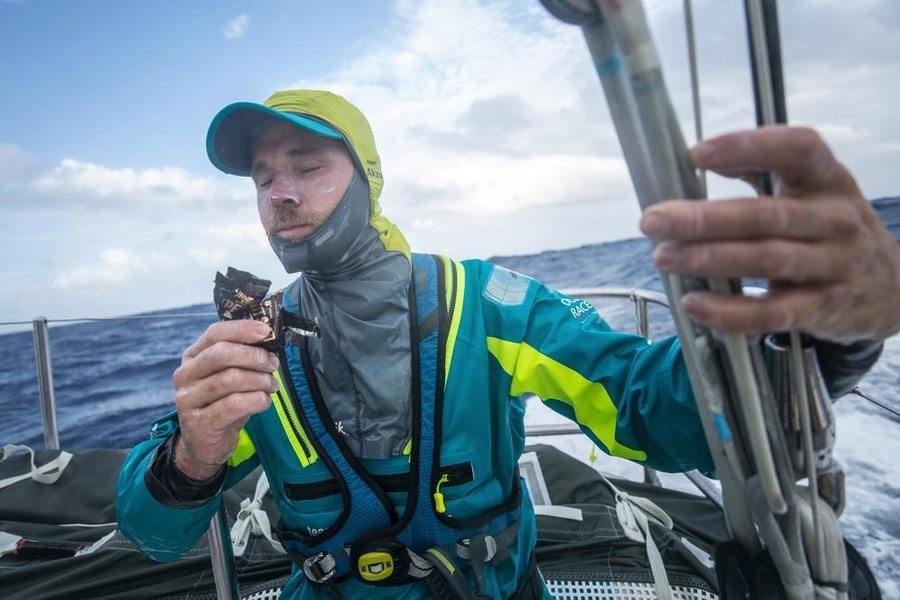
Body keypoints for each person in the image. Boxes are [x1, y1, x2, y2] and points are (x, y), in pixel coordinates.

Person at [115, 89, 892, 599]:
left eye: (308, 167)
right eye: (261, 178)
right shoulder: (252, 346)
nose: (280, 194)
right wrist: (193, 454)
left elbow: (648, 406)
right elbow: (154, 533)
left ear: (367, 181)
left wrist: (822, 345)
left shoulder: (485, 304)